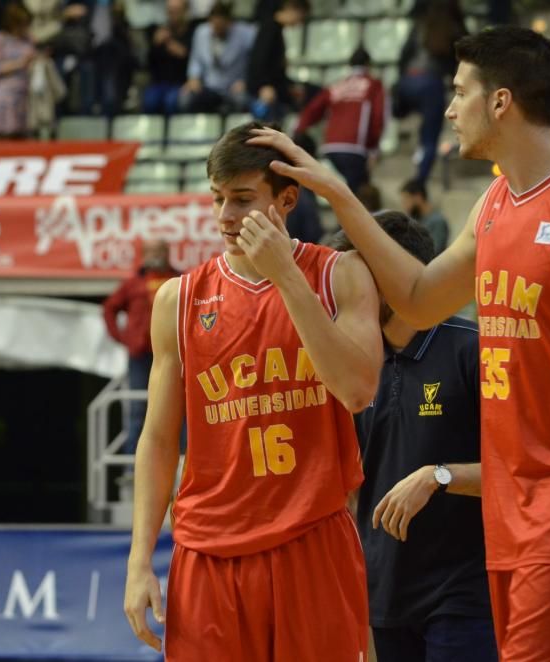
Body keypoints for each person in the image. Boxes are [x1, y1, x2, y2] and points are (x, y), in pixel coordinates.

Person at [249, 24, 550, 661]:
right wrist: (340, 194)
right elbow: (421, 296)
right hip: (508, 520)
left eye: (460, 92)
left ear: (501, 101)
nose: (448, 108)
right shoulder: (494, 203)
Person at [124, 121, 382, 659]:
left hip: (311, 537)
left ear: (286, 199)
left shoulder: (341, 276)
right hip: (208, 549)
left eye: (242, 199)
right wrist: (139, 560)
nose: (225, 216)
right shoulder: (179, 298)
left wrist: (286, 276)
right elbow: (156, 439)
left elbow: (357, 390)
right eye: (218, 199)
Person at [329, 213, 497, 662]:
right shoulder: (348, 364)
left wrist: (439, 476)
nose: (343, 287)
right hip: (381, 598)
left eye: (356, 273)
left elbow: (521, 474)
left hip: (465, 595)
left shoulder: (473, 350)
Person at [102, 240, 180, 457]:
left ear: (168, 252)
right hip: (140, 354)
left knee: (178, 408)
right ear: (144, 254)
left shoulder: (180, 279)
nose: (156, 254)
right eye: (152, 251)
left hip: (172, 354)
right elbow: (109, 308)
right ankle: (131, 465)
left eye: (160, 250)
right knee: (137, 409)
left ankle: (184, 464)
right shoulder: (132, 282)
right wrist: (122, 338)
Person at [394, 0, 467, 183]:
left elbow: (403, 56)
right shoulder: (454, 29)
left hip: (407, 82)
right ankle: (420, 181)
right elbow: (463, 61)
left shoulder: (419, 26)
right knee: (429, 139)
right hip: (430, 85)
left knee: (421, 128)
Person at [294, 46, 386, 192]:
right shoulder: (374, 85)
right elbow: (378, 117)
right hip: (355, 147)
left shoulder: (336, 85)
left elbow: (312, 110)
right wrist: (374, 149)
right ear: (368, 65)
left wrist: (298, 132)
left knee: (346, 193)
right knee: (361, 197)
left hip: (330, 147)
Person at [179, 2, 256, 113]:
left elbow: (255, 61)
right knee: (185, 98)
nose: (217, 29)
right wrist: (193, 78)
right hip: (209, 86)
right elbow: (195, 59)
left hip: (234, 86)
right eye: (214, 25)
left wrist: (246, 81)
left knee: (242, 100)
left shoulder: (246, 33)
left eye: (221, 26)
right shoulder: (201, 32)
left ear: (229, 22)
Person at [0, 2, 36, 139]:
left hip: (26, 97)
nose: (25, 27)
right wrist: (21, 63)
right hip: (5, 98)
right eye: (22, 23)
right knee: (3, 142)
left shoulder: (29, 39)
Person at [143, 0, 197, 116]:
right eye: (169, 11)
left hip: (181, 82)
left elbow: (191, 59)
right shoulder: (159, 32)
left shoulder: (192, 32)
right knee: (149, 101)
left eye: (176, 11)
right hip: (159, 83)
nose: (172, 15)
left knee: (171, 101)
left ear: (185, 12)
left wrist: (172, 45)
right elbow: (147, 63)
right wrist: (154, 45)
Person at [399, 178, 449, 251]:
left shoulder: (438, 221)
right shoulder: (414, 219)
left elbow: (435, 250)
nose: (404, 205)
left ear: (418, 197)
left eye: (406, 199)